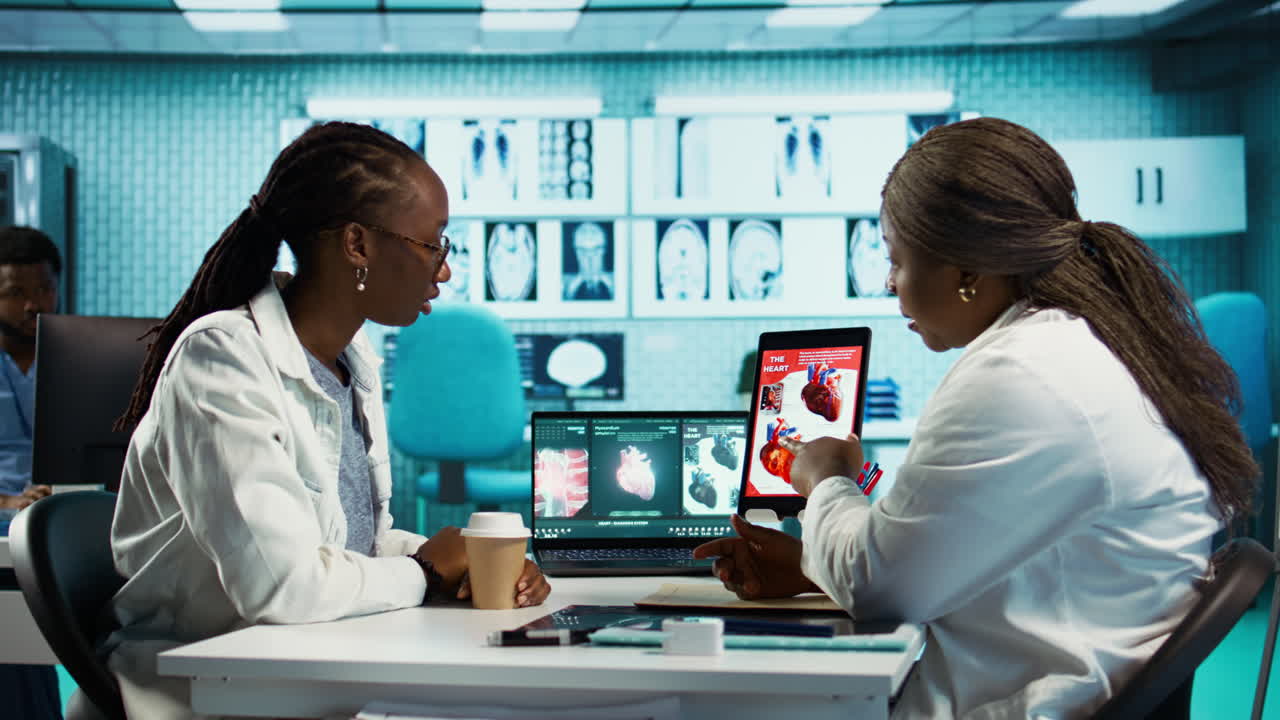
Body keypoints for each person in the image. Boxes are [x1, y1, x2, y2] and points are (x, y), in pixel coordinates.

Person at [694, 117, 1258, 719]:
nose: (890, 285)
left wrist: (825, 479)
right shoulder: (1082, 348)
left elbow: (880, 587)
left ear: (967, 275)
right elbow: (969, 558)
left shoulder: (1025, 375)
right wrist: (814, 567)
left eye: (897, 261)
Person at [103, 121, 550, 720]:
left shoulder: (350, 363)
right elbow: (283, 587)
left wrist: (472, 564)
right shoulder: (223, 359)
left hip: (312, 668)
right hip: (212, 686)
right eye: (433, 244)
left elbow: (352, 547)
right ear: (358, 244)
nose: (443, 270)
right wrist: (423, 569)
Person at [0, 225, 62, 719]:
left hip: (51, 518)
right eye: (14, 292)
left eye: (43, 288)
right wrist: (6, 504)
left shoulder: (78, 357)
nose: (33, 304)